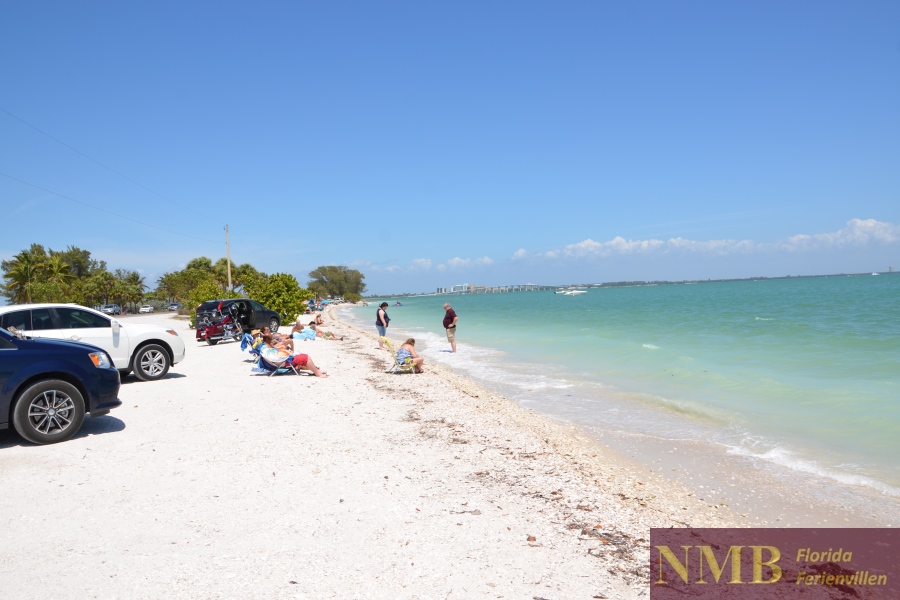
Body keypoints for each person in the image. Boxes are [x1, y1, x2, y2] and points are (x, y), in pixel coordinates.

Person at [260, 334, 327, 378]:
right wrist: (288, 353)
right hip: (283, 361)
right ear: (267, 340)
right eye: (271, 339)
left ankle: (316, 370)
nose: (272, 340)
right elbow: (276, 356)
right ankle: (318, 373)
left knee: (302, 355)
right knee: (306, 357)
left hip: (281, 361)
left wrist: (287, 352)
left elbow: (275, 353)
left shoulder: (265, 348)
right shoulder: (266, 349)